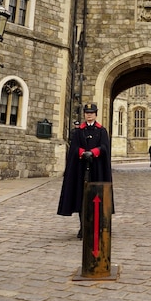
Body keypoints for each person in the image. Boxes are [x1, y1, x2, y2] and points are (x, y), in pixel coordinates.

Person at [57, 102, 113, 238]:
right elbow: (74, 147)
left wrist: (93, 152)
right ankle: (83, 227)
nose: (89, 115)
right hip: (81, 170)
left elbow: (105, 147)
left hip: (97, 170)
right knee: (82, 199)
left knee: (96, 199)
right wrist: (82, 152)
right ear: (84, 115)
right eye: (87, 113)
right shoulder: (79, 131)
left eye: (92, 113)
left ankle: (95, 227)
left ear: (95, 114)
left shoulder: (101, 131)